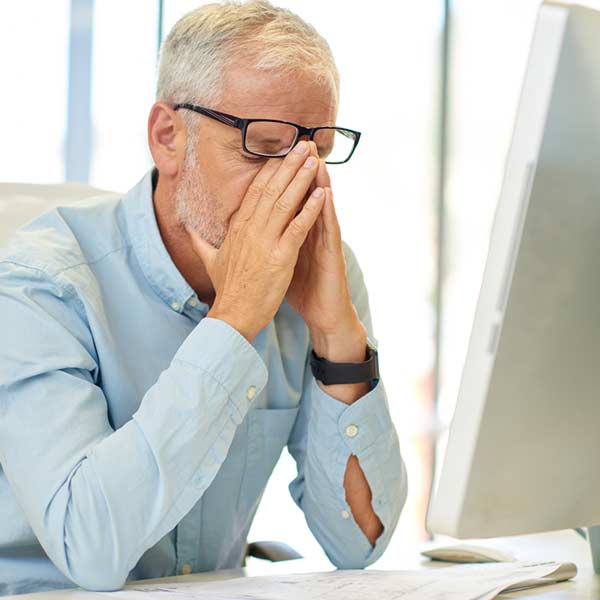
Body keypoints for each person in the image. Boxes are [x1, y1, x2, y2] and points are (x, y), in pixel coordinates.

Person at [0, 1, 407, 595]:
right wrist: (235, 321)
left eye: (315, 151)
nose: (295, 186)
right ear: (168, 137)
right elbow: (86, 549)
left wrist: (338, 339)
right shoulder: (40, 287)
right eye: (263, 146)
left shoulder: (320, 277)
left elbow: (359, 543)